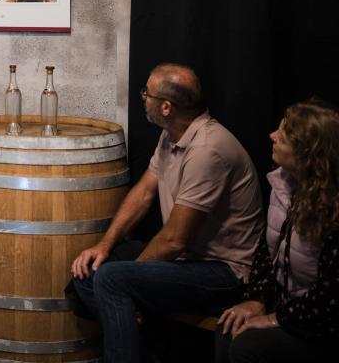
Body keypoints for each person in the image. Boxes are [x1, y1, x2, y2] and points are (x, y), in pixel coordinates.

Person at [69, 63, 264, 363]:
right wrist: (104, 246)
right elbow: (143, 194)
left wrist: (132, 278)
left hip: (224, 273)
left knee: (111, 280)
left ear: (166, 107)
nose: (143, 98)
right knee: (87, 274)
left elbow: (175, 240)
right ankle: (144, 348)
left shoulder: (207, 150)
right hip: (187, 261)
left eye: (146, 93)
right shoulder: (171, 135)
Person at [215, 99, 339, 362]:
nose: (271, 136)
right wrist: (257, 299)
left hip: (320, 322)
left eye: (281, 137)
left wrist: (275, 319)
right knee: (228, 326)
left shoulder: (333, 211)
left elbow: (329, 300)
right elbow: (267, 249)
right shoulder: (283, 185)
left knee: (248, 346)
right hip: (286, 306)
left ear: (306, 152)